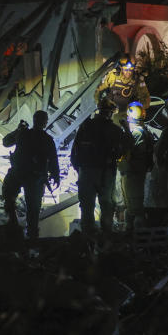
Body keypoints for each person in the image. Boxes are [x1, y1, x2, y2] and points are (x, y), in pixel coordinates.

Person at [71, 97, 133, 235]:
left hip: (86, 172)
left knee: (86, 206)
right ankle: (107, 238)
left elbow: (74, 152)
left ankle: (88, 239)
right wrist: (127, 129)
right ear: (111, 112)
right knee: (106, 205)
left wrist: (81, 169)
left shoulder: (85, 126)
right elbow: (128, 146)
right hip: (105, 173)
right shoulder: (115, 130)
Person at [1, 110, 60, 241]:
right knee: (31, 207)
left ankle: (20, 227)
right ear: (45, 123)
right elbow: (53, 161)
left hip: (26, 174)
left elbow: (6, 142)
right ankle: (27, 232)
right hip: (30, 176)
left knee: (14, 199)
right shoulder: (42, 138)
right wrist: (56, 176)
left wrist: (18, 131)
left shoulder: (25, 134)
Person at [118, 101, 155, 233]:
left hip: (133, 173)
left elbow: (129, 150)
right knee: (132, 207)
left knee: (135, 208)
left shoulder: (137, 133)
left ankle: (137, 237)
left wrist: (126, 130)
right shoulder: (143, 131)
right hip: (135, 172)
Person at [95, 53, 150, 124]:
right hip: (111, 114)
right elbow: (98, 91)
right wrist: (100, 104)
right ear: (121, 67)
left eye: (131, 69)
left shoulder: (137, 79)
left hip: (129, 116)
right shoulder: (113, 76)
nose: (128, 72)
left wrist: (134, 107)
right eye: (126, 69)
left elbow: (146, 99)